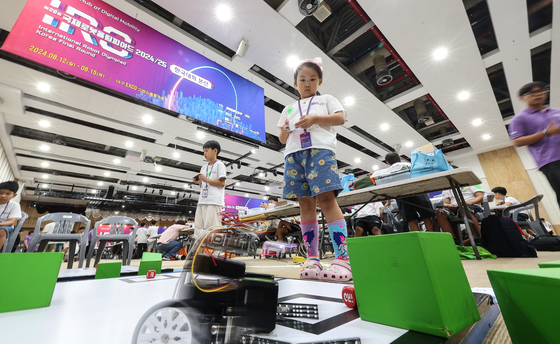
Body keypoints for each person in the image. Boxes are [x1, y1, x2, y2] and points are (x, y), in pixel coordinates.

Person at [277, 57, 351, 281]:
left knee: (327, 200)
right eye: (302, 79)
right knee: (305, 204)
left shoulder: (326, 99)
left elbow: (340, 118)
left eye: (312, 79)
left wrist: (315, 119)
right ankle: (312, 258)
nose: (307, 83)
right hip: (293, 156)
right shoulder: (288, 108)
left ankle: (343, 259)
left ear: (320, 81)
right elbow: (281, 138)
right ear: (295, 82)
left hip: (320, 151)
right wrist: (285, 130)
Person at [509, 81, 560, 210]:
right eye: (531, 92)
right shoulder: (519, 119)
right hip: (550, 161)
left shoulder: (557, 111)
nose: (538, 94)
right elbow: (518, 141)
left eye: (541, 91)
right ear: (522, 98)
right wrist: (546, 132)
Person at [384, 153, 435, 232]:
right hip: (417, 191)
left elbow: (388, 188)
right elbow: (421, 178)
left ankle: (419, 242)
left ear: (388, 162)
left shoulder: (386, 172)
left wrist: (388, 201)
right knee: (427, 216)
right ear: (400, 159)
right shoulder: (410, 165)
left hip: (401, 195)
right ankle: (433, 240)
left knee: (411, 220)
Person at [192, 140, 227, 238]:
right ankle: (201, 251)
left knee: (212, 228)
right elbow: (203, 186)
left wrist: (206, 180)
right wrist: (199, 182)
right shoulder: (204, 167)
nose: (205, 153)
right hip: (202, 201)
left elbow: (222, 183)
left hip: (214, 201)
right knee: (198, 229)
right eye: (204, 151)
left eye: (207, 150)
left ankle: (216, 252)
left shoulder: (220, 165)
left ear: (215, 151)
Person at [0, 181, 22, 252]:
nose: (3, 196)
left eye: (8, 194)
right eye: (0, 193)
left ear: (14, 195)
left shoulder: (14, 205)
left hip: (5, 226)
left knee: (2, 231)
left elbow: (11, 222)